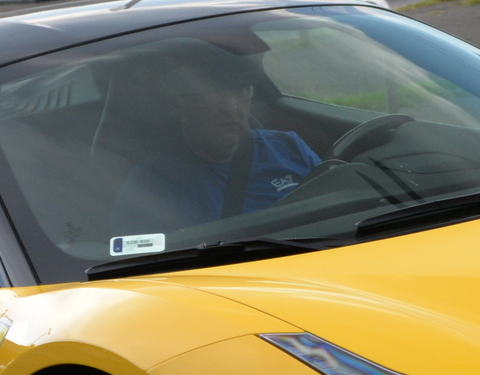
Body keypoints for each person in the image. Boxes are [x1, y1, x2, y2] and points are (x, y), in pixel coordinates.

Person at [107, 41, 321, 239]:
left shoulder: (289, 148)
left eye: (240, 92)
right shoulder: (150, 187)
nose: (231, 108)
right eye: (213, 94)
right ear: (179, 105)